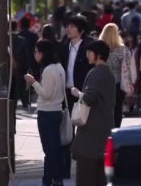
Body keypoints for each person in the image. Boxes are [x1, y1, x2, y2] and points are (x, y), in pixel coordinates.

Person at [70, 40, 116, 186]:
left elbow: (89, 97)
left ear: (99, 55)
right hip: (103, 128)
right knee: (100, 177)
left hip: (91, 132)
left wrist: (77, 93)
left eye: (90, 52)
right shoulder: (108, 73)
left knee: (86, 176)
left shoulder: (96, 73)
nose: (87, 55)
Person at [24, 39, 65, 186]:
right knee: (54, 147)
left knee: (49, 149)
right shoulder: (59, 67)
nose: (35, 54)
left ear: (42, 53)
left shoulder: (48, 70)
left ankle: (49, 179)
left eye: (36, 51)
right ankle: (55, 178)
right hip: (57, 111)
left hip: (46, 112)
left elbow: (46, 94)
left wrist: (33, 82)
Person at [58, 15, 93, 179]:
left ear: (81, 30)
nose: (68, 29)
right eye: (68, 26)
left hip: (82, 93)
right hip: (66, 93)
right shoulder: (64, 46)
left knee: (85, 128)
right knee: (66, 131)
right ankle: (64, 169)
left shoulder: (89, 46)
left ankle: (85, 166)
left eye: (72, 26)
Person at [99, 23, 133, 127]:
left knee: (104, 110)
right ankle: (115, 131)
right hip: (118, 84)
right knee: (117, 109)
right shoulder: (123, 50)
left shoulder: (99, 49)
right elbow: (127, 68)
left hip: (102, 83)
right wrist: (130, 83)